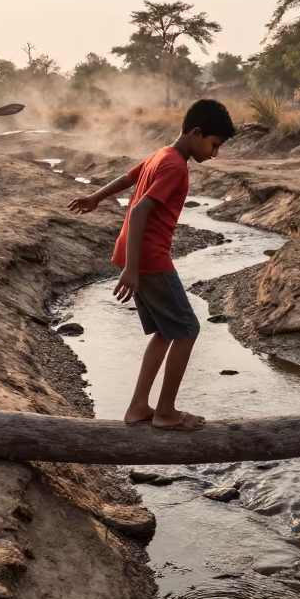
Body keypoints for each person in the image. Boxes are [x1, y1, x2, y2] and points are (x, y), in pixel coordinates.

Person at [69, 98, 235, 430]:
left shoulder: (162, 154)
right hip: (148, 258)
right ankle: (166, 412)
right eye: (214, 145)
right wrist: (132, 268)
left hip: (136, 256)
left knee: (164, 331)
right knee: (188, 329)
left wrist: (96, 198)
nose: (215, 154)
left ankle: (137, 408)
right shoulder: (174, 165)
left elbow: (128, 178)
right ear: (196, 133)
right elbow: (140, 209)